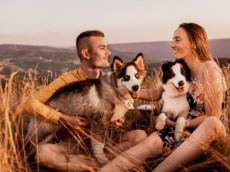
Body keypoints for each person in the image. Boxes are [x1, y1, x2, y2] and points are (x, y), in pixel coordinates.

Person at [99, 23, 228, 172]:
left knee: (212, 122)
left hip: (207, 132)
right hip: (179, 131)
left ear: (193, 42)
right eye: (173, 40)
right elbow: (155, 93)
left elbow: (213, 116)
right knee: (150, 142)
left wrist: (177, 124)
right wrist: (126, 91)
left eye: (177, 40)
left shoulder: (211, 70)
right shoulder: (179, 69)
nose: (172, 45)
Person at [24, 30, 147, 171]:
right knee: (43, 154)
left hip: (104, 140)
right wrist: (64, 118)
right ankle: (104, 167)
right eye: (102, 48)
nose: (109, 52)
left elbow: (111, 112)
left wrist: (115, 120)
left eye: (107, 47)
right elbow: (29, 104)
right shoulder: (66, 81)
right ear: (86, 54)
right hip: (73, 143)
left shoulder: (113, 81)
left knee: (140, 136)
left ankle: (97, 165)